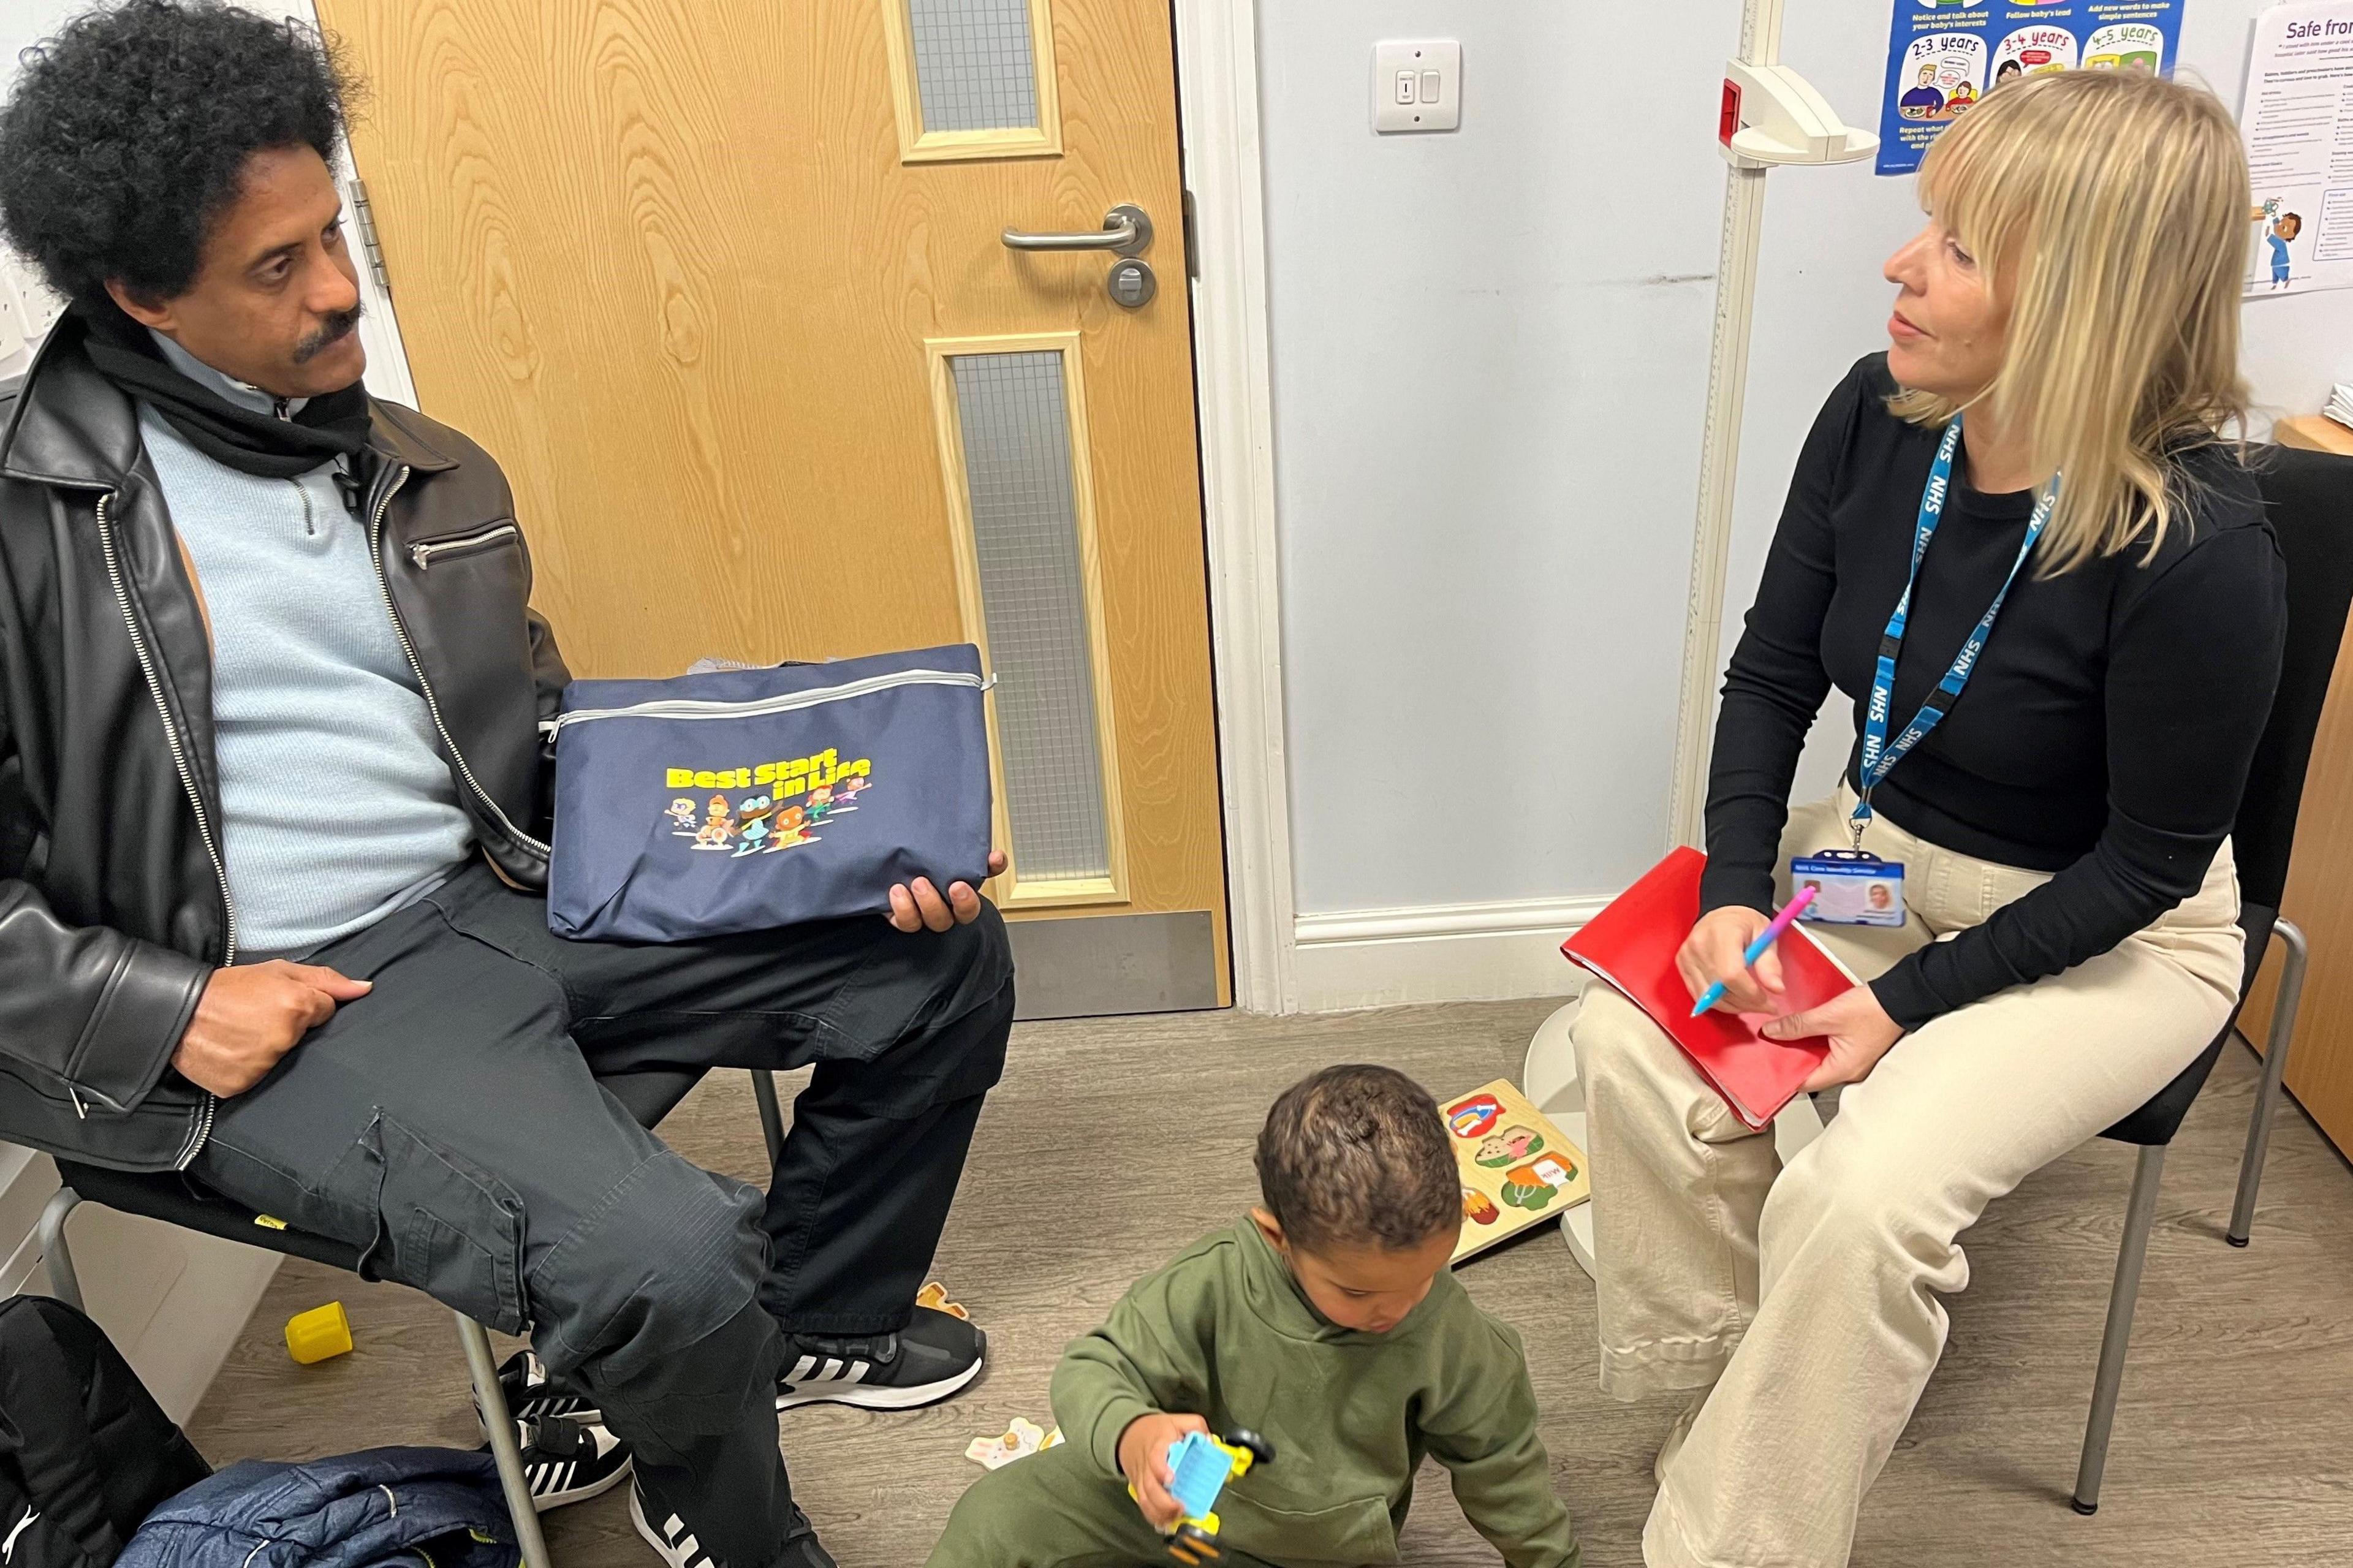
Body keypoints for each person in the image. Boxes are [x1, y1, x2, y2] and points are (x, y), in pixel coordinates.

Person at [0, 6, 1015, 1567]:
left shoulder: (424, 466)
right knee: (667, 1252)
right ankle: (724, 1505)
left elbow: (534, 735)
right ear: (142, 292)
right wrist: (159, 1006)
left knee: (931, 955)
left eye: (330, 231)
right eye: (277, 268)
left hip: (506, 890)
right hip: (292, 994)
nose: (341, 289)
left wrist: (814, 828)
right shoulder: (25, 523)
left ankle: (794, 1328)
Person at [1566, 69, 2283, 1568]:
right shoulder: (1879, 415)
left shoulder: (2198, 545)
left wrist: (1898, 1009)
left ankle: (1727, 1544)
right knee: (1627, 1039)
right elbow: (1770, 674)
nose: (1899, 262)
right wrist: (1732, 883)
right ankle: (1717, 1415)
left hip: (2114, 929)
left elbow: (2151, 860)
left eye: (1956, 244)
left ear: (2081, 294)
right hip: (1878, 858)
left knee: (1864, 1191)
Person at [923, 1064, 1580, 1567]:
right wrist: (1135, 1436)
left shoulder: (1452, 1334)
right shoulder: (1212, 1281)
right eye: (1355, 1292)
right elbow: (1094, 1367)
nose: (1397, 1309)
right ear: (1277, 1237)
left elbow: (1503, 1463)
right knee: (996, 1513)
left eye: (1423, 1278)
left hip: (1318, 1551)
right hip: (1187, 1496)